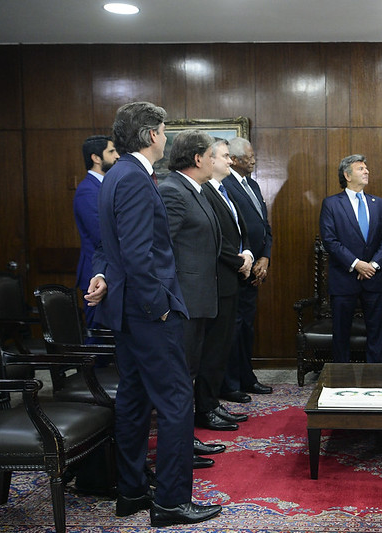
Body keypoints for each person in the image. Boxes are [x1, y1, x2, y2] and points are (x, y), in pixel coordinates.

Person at [85, 102, 221, 527]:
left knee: (134, 399)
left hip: (127, 310)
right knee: (177, 401)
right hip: (148, 313)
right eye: (162, 130)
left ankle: (131, 491)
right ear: (149, 135)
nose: (166, 136)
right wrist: (159, 308)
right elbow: (141, 254)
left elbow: (110, 248)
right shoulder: (137, 179)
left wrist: (103, 275)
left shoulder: (116, 175)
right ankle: (171, 502)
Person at [158, 130, 227, 466]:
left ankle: (186, 440)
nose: (216, 161)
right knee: (181, 378)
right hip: (182, 301)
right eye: (214, 155)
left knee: (190, 374)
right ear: (199, 159)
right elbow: (161, 251)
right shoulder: (172, 190)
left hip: (198, 299)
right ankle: (180, 447)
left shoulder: (194, 189)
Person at [196, 139, 253, 430]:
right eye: (225, 157)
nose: (231, 161)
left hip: (231, 280)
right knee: (212, 350)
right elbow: (213, 242)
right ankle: (205, 408)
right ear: (209, 160)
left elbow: (238, 232)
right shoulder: (203, 192)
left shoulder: (223, 190)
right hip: (217, 280)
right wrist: (238, 260)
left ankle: (212, 404)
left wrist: (249, 254)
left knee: (221, 349)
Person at [319, 154, 382, 363]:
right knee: (341, 334)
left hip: (374, 278)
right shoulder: (332, 204)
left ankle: (377, 379)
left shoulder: (378, 203)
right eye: (361, 168)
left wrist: (373, 265)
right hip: (344, 279)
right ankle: (341, 380)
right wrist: (356, 264)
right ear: (347, 175)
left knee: (377, 333)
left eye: (366, 168)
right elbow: (330, 241)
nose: (366, 171)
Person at [220, 137, 273, 403]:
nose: (254, 160)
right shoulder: (224, 185)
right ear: (235, 160)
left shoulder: (251, 184)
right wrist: (247, 260)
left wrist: (265, 257)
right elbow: (232, 231)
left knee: (246, 329)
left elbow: (264, 226)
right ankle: (230, 384)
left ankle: (246, 377)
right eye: (249, 157)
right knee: (233, 330)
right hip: (235, 270)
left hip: (254, 268)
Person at [74, 134, 118, 329]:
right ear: (96, 158)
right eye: (111, 151)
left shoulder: (105, 185)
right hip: (95, 272)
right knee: (97, 337)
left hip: (109, 273)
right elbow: (101, 235)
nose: (117, 156)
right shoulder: (87, 190)